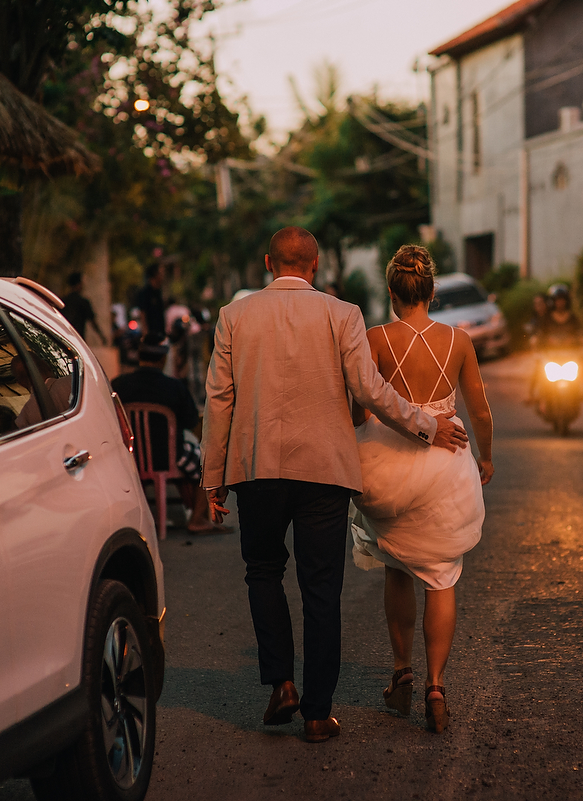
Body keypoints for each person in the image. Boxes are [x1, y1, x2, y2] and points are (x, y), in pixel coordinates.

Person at [201, 227, 469, 744]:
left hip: (256, 469)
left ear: (268, 263)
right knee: (321, 587)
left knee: (262, 572)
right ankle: (319, 714)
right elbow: (371, 390)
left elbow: (219, 398)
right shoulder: (342, 314)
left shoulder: (234, 316)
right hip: (324, 472)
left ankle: (281, 682)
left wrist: (214, 477)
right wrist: (428, 425)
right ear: (316, 266)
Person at [350, 244, 494, 734]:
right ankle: (435, 685)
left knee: (396, 567)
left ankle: (401, 671)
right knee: (441, 575)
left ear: (392, 293)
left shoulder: (376, 338)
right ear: (431, 291)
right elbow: (479, 410)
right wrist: (487, 455)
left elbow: (361, 406)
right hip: (446, 463)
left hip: (386, 469)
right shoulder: (459, 340)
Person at [112, 334, 226, 534]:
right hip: (169, 458)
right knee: (206, 462)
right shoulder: (174, 387)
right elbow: (191, 423)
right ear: (164, 359)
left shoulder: (119, 384)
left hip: (128, 457)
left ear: (139, 355)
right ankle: (198, 519)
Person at [60, 272, 107, 344]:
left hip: (64, 336)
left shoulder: (63, 301)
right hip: (79, 338)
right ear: (78, 284)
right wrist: (101, 336)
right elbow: (93, 322)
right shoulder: (83, 302)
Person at [134, 263, 167, 337]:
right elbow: (143, 313)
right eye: (161, 272)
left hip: (161, 333)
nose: (163, 275)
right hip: (151, 334)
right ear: (155, 274)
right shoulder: (145, 293)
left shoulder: (159, 293)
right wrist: (145, 333)